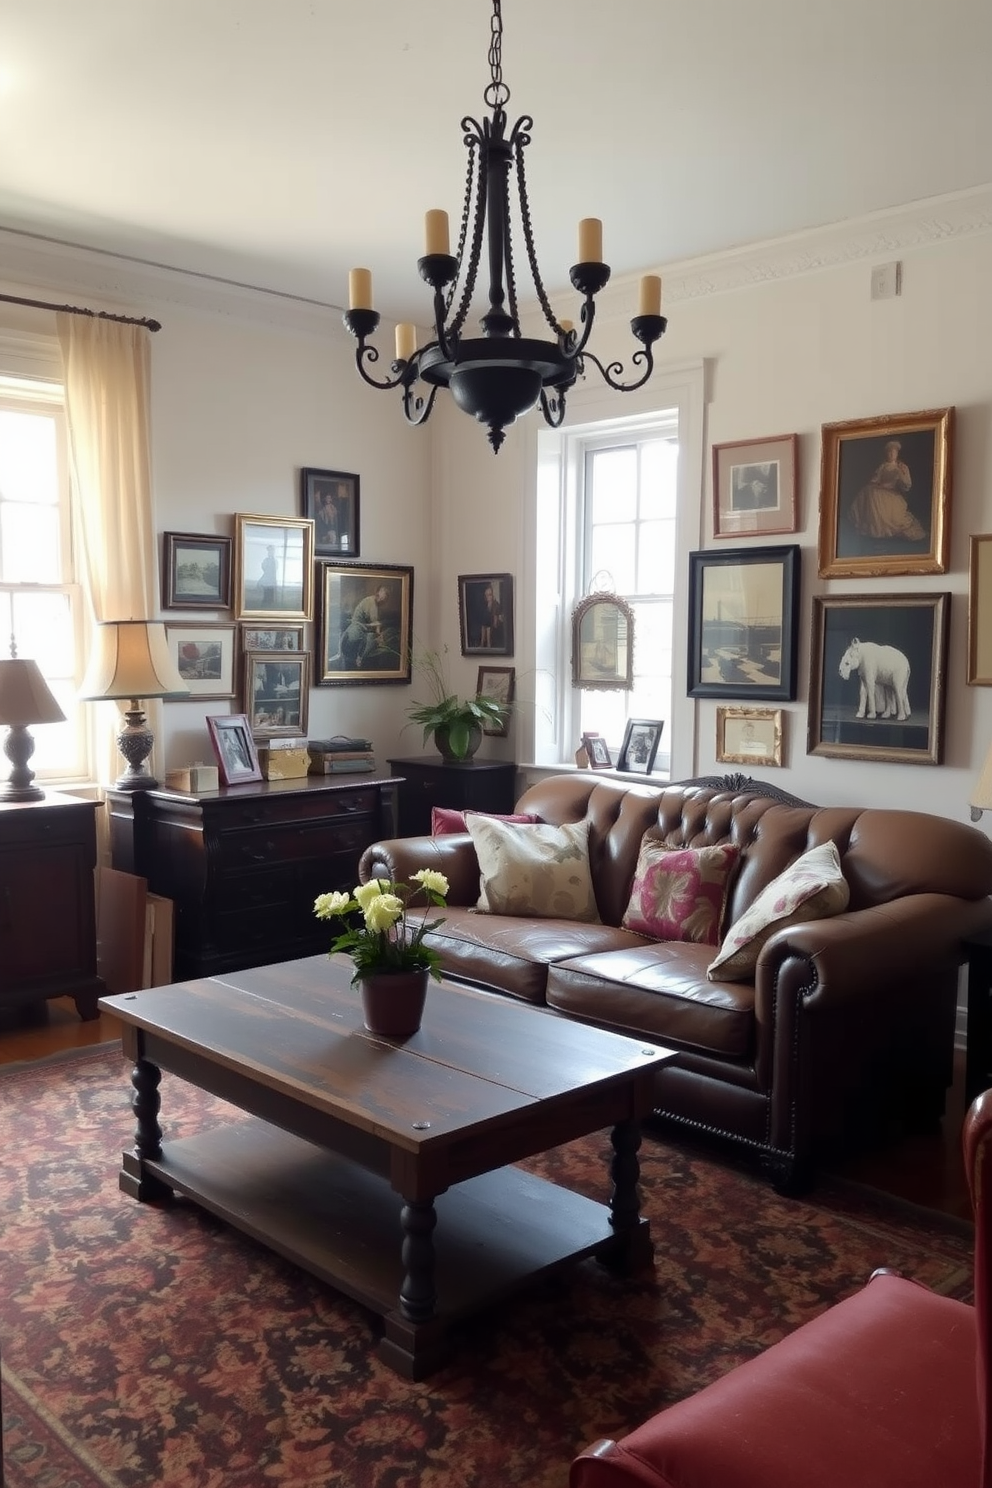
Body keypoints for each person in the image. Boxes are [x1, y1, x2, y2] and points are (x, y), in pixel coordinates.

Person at [848, 440, 925, 541]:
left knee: (876, 496)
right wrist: (877, 484)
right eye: (889, 452)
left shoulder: (901, 467)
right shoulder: (883, 466)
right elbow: (875, 479)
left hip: (891, 493)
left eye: (893, 452)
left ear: (897, 454)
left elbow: (906, 485)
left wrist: (902, 473)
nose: (891, 454)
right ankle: (868, 522)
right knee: (868, 490)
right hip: (880, 489)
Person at [341, 584, 392, 669]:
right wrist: (379, 634)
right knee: (373, 640)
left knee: (381, 635)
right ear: (378, 593)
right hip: (358, 627)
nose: (385, 598)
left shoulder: (374, 603)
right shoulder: (371, 602)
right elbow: (375, 623)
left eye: (386, 596)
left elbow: (375, 623)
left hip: (363, 626)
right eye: (384, 595)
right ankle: (360, 658)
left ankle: (360, 657)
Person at [473, 582, 504, 648]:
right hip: (488, 621)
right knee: (484, 625)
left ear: (492, 595)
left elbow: (496, 616)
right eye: (486, 595)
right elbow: (485, 615)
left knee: (488, 626)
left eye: (489, 595)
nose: (488, 597)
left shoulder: (495, 604)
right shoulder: (485, 604)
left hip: (494, 621)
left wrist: (495, 623)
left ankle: (488, 644)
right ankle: (482, 643)